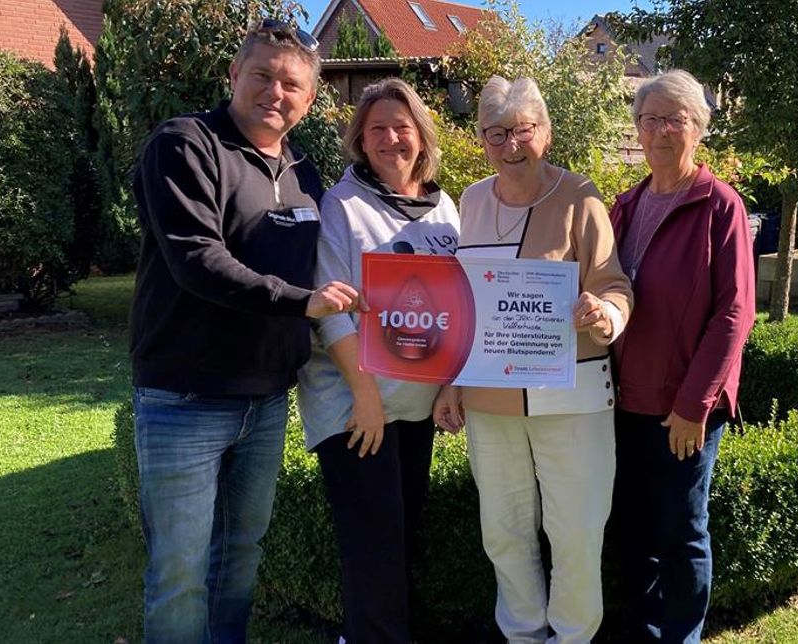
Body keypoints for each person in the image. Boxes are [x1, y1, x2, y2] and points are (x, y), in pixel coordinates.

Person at [130, 20, 364, 643]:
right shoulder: (185, 145)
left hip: (265, 401)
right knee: (179, 575)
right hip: (185, 398)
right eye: (261, 75)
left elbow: (327, 263)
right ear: (234, 75)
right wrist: (303, 301)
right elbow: (197, 261)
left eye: (291, 84)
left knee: (239, 562)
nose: (274, 92)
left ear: (309, 99)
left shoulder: (303, 173)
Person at [433, 76, 633, 644]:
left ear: (545, 132)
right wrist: (451, 383)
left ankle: (572, 637)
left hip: (571, 397)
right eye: (496, 133)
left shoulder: (581, 196)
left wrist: (604, 314)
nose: (511, 145)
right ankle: (522, 634)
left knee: (575, 530)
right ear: (482, 140)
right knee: (503, 529)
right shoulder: (469, 201)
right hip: (491, 400)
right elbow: (463, 303)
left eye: (522, 130)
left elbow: (615, 284)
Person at [297, 77, 459, 644]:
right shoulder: (342, 205)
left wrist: (448, 386)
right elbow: (330, 306)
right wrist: (364, 397)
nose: (391, 138)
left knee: (401, 536)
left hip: (416, 404)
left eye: (402, 127)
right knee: (374, 542)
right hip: (355, 405)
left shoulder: (445, 209)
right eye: (376, 130)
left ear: (422, 136)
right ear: (360, 143)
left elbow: (456, 307)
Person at [608, 69, 756, 643]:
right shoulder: (624, 205)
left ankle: (682, 636)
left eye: (677, 119)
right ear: (638, 130)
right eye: (651, 119)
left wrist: (695, 405)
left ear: (698, 130)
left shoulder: (721, 207)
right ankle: (645, 632)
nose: (662, 130)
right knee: (635, 530)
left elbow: (734, 314)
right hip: (623, 401)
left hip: (683, 409)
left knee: (682, 532)